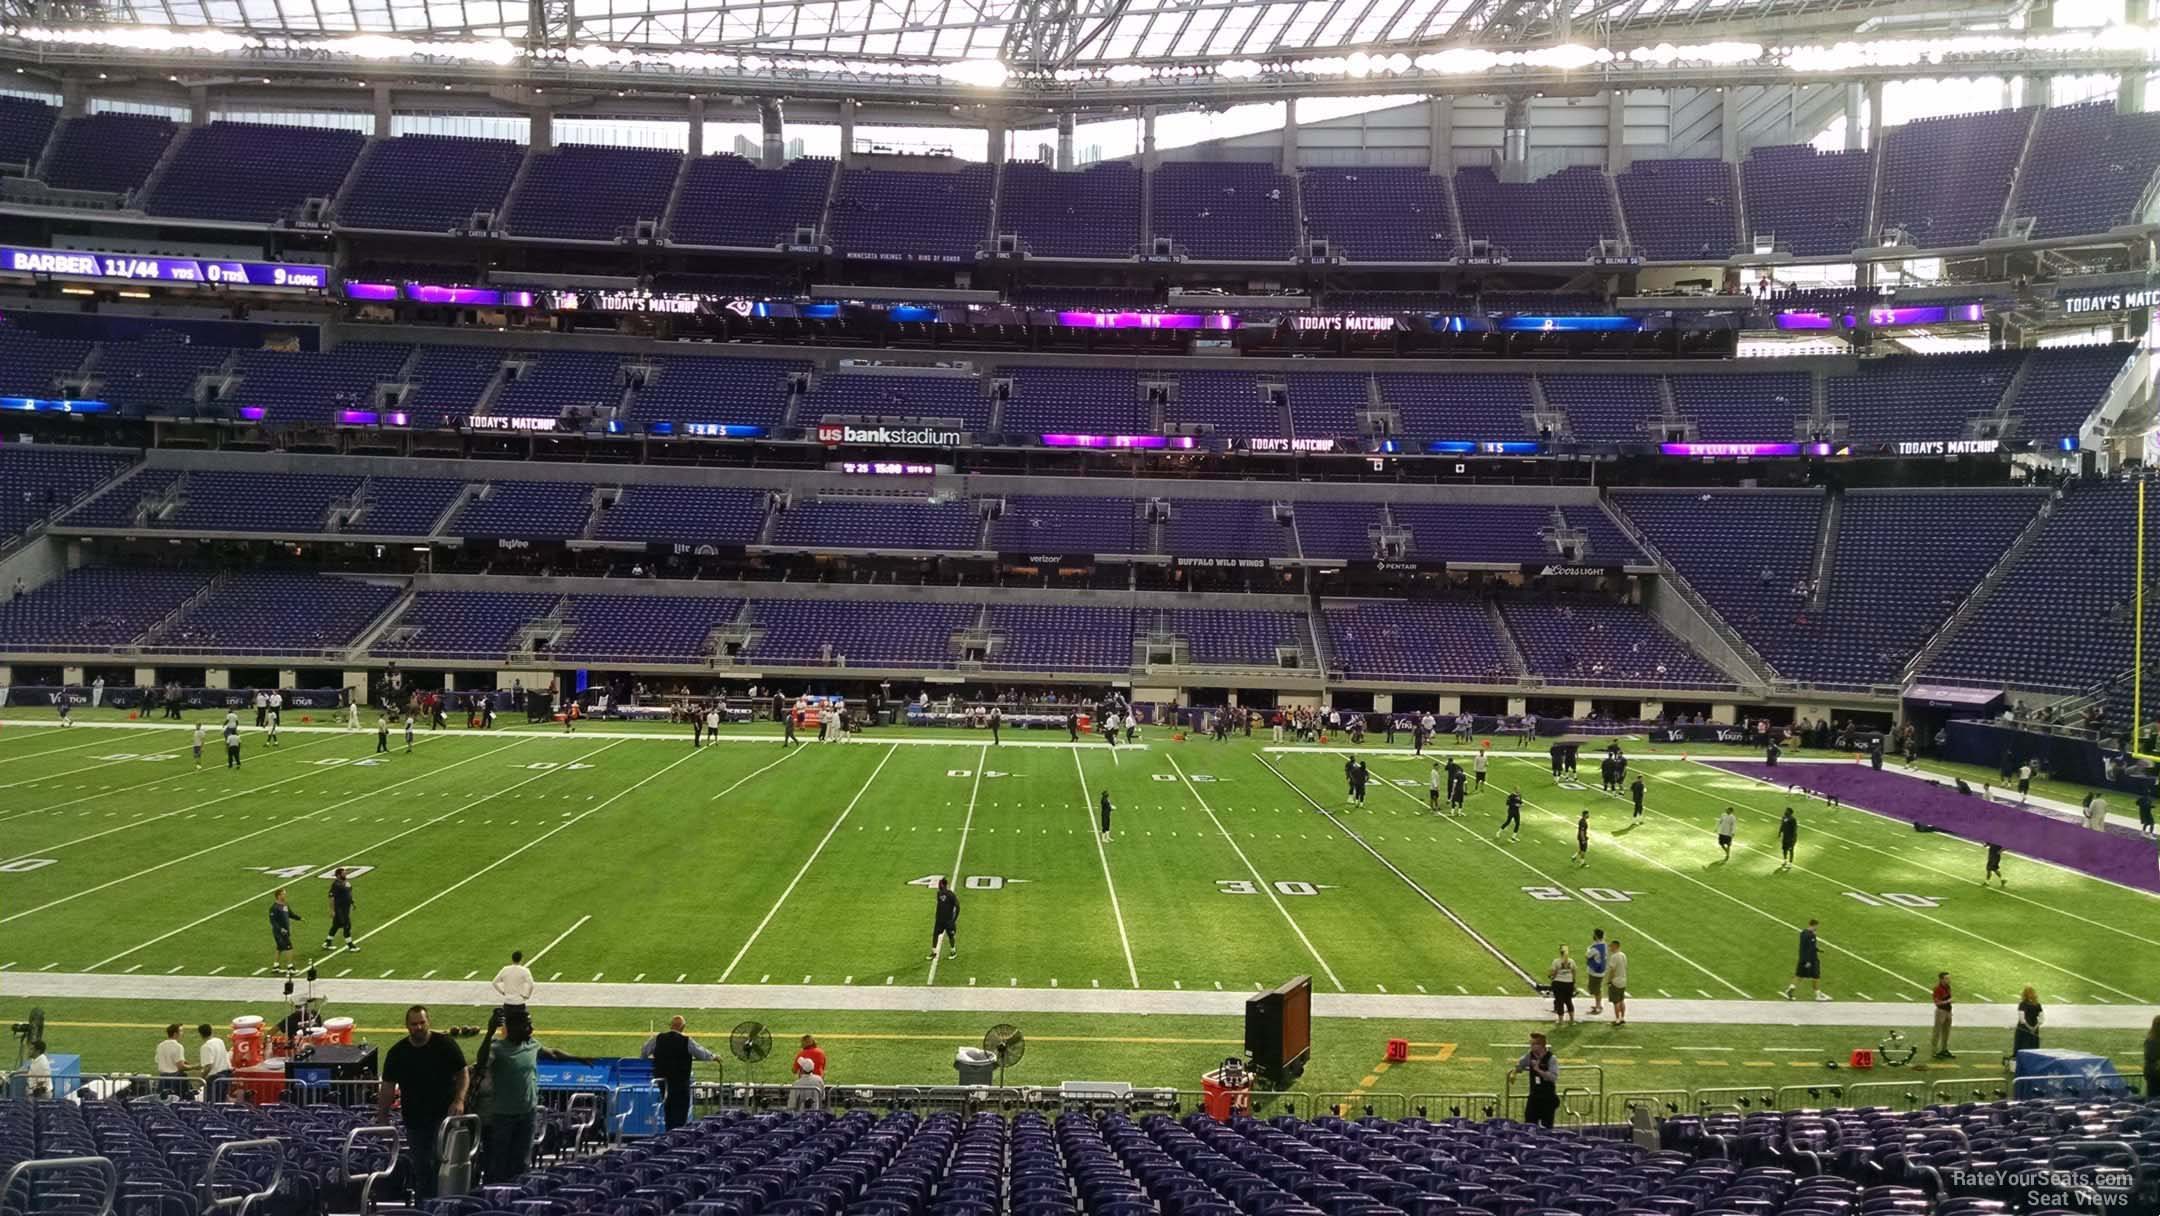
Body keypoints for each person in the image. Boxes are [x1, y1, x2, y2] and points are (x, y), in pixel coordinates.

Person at [475, 1007, 576, 1182]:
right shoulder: (498, 1048)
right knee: (498, 1164)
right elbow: (481, 1062)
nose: (531, 1028)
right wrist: (490, 1031)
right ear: (513, 1027)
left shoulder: (532, 1045)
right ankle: (495, 1199)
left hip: (527, 1113)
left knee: (522, 1163)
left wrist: (579, 1059)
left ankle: (517, 1197)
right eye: (527, 1025)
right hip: (503, 1116)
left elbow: (552, 1053)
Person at [377, 1006, 467, 1201]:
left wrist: (459, 1099)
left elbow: (463, 1072)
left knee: (443, 1166)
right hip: (415, 1120)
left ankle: (444, 1205)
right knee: (422, 1169)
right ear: (407, 1026)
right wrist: (382, 1117)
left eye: (422, 1022)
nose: (418, 1027)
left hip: (444, 1118)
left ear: (429, 1022)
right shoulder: (397, 1053)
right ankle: (424, 1206)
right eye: (414, 1024)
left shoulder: (445, 1045)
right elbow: (387, 1088)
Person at [640, 1015, 719, 1130]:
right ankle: (677, 1138)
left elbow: (644, 1052)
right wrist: (714, 1056)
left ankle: (669, 1135)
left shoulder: (658, 1038)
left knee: (669, 1111)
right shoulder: (686, 1041)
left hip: (663, 1082)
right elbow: (701, 1053)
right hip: (680, 1083)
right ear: (683, 1027)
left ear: (671, 1025)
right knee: (680, 1114)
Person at [1509, 1033, 1560, 1128]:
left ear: (1540, 1045)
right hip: (1534, 1097)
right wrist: (1514, 1072)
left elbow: (1553, 1077)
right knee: (1529, 1123)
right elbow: (1520, 1064)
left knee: (1547, 1126)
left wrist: (1539, 1070)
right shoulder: (1530, 1055)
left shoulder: (1551, 1058)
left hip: (1547, 1098)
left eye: (1533, 1044)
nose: (1531, 1046)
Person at [1784, 918, 1826, 1001]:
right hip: (1811, 959)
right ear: (1814, 925)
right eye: (1817, 926)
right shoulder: (1811, 935)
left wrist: (1818, 949)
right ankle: (1818, 995)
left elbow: (1806, 946)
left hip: (1802, 958)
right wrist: (1809, 961)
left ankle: (1790, 989)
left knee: (1799, 976)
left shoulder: (1803, 932)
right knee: (1816, 976)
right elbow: (1810, 948)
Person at [324, 868, 357, 952]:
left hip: (345, 907)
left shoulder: (346, 882)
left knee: (336, 925)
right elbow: (331, 897)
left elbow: (348, 893)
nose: (345, 874)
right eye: (343, 873)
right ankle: (350, 946)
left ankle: (327, 942)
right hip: (340, 908)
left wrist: (352, 902)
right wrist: (332, 910)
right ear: (338, 875)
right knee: (347, 925)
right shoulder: (336, 884)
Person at [268, 889, 301, 974]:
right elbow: (273, 922)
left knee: (279, 948)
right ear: (278, 896)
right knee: (289, 947)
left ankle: (275, 966)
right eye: (283, 894)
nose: (285, 895)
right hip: (279, 932)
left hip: (286, 931)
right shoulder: (274, 908)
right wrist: (281, 929)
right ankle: (290, 967)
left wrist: (299, 918)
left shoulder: (285, 905)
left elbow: (290, 914)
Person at [928, 876, 960, 961]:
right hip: (939, 920)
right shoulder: (939, 894)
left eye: (939, 883)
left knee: (950, 936)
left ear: (942, 884)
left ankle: (953, 951)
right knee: (935, 935)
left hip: (948, 920)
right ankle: (934, 952)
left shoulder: (951, 894)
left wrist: (954, 919)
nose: (938, 885)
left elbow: (957, 906)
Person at [197, 1023, 232, 1102]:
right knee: (223, 1101)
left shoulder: (206, 1047)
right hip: (226, 1075)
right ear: (211, 1031)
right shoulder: (219, 1041)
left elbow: (208, 1066)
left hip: (214, 1079)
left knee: (212, 1102)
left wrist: (201, 1078)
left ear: (200, 1034)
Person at [154, 1023, 190, 1097]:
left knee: (163, 1100)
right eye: (181, 1031)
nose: (182, 1034)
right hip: (175, 1080)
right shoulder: (178, 1046)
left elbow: (158, 1060)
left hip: (163, 1079)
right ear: (175, 1034)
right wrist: (196, 1066)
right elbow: (181, 1067)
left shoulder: (160, 1045)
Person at [1930, 971, 1955, 1059]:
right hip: (1941, 1012)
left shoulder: (1948, 987)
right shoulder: (1937, 989)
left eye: (1949, 978)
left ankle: (1944, 1049)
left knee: (1946, 1032)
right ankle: (1934, 1052)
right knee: (1937, 1032)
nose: (1949, 980)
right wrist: (1947, 1001)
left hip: (1948, 1011)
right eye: (1946, 978)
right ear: (1941, 979)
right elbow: (1937, 1002)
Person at [1549, 945, 1576, 1025]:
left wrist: (1551, 977)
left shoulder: (1556, 961)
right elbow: (1574, 971)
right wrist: (1573, 981)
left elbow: (1554, 972)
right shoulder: (1571, 961)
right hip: (1569, 983)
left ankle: (1561, 1020)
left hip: (1558, 983)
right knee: (1568, 1001)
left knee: (1560, 1001)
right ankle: (1572, 1020)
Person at [1584, 929, 1608, 1016]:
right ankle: (1598, 1005)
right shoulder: (1603, 945)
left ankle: (1598, 1007)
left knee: (1595, 990)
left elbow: (1587, 955)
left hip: (1595, 971)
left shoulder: (1595, 948)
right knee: (1597, 988)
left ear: (1596, 936)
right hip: (1601, 970)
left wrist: (1588, 949)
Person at [2012, 985, 2043, 1056]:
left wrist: (2029, 1028)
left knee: (2022, 1046)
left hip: (2023, 1030)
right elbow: (2041, 1019)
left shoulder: (2022, 1004)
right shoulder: (2037, 1005)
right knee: (2033, 1047)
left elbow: (2022, 1019)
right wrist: (2034, 1027)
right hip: (2034, 1028)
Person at [1607, 941, 1629, 1027]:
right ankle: (1622, 1018)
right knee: (1621, 1000)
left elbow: (1612, 970)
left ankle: (1617, 1019)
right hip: (1623, 980)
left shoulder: (1614, 957)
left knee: (1616, 1002)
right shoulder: (1623, 955)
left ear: (1616, 946)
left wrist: (1609, 980)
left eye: (1611, 946)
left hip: (1616, 981)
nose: (1610, 948)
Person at [2144, 1014, 2160, 1100]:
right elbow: (2152, 1057)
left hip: (2152, 1073)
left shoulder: (2151, 1039)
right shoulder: (2153, 1041)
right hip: (2155, 1074)